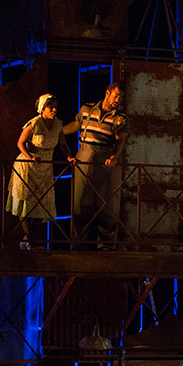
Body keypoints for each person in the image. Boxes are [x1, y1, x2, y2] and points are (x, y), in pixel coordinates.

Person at [5, 93, 74, 249]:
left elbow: (63, 144)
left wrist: (69, 157)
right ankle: (29, 238)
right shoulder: (34, 124)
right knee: (25, 203)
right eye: (51, 107)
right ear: (42, 108)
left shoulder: (58, 125)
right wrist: (30, 157)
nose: (54, 110)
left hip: (45, 168)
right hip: (28, 167)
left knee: (41, 203)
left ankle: (34, 239)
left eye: (55, 107)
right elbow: (20, 143)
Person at [65, 82, 128, 248]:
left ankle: (106, 246)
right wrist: (59, 131)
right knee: (80, 202)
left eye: (121, 98)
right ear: (107, 93)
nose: (118, 100)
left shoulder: (120, 118)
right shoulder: (87, 109)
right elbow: (77, 124)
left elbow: (121, 140)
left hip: (104, 157)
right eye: (116, 96)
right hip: (84, 155)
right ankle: (78, 244)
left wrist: (115, 156)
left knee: (107, 204)